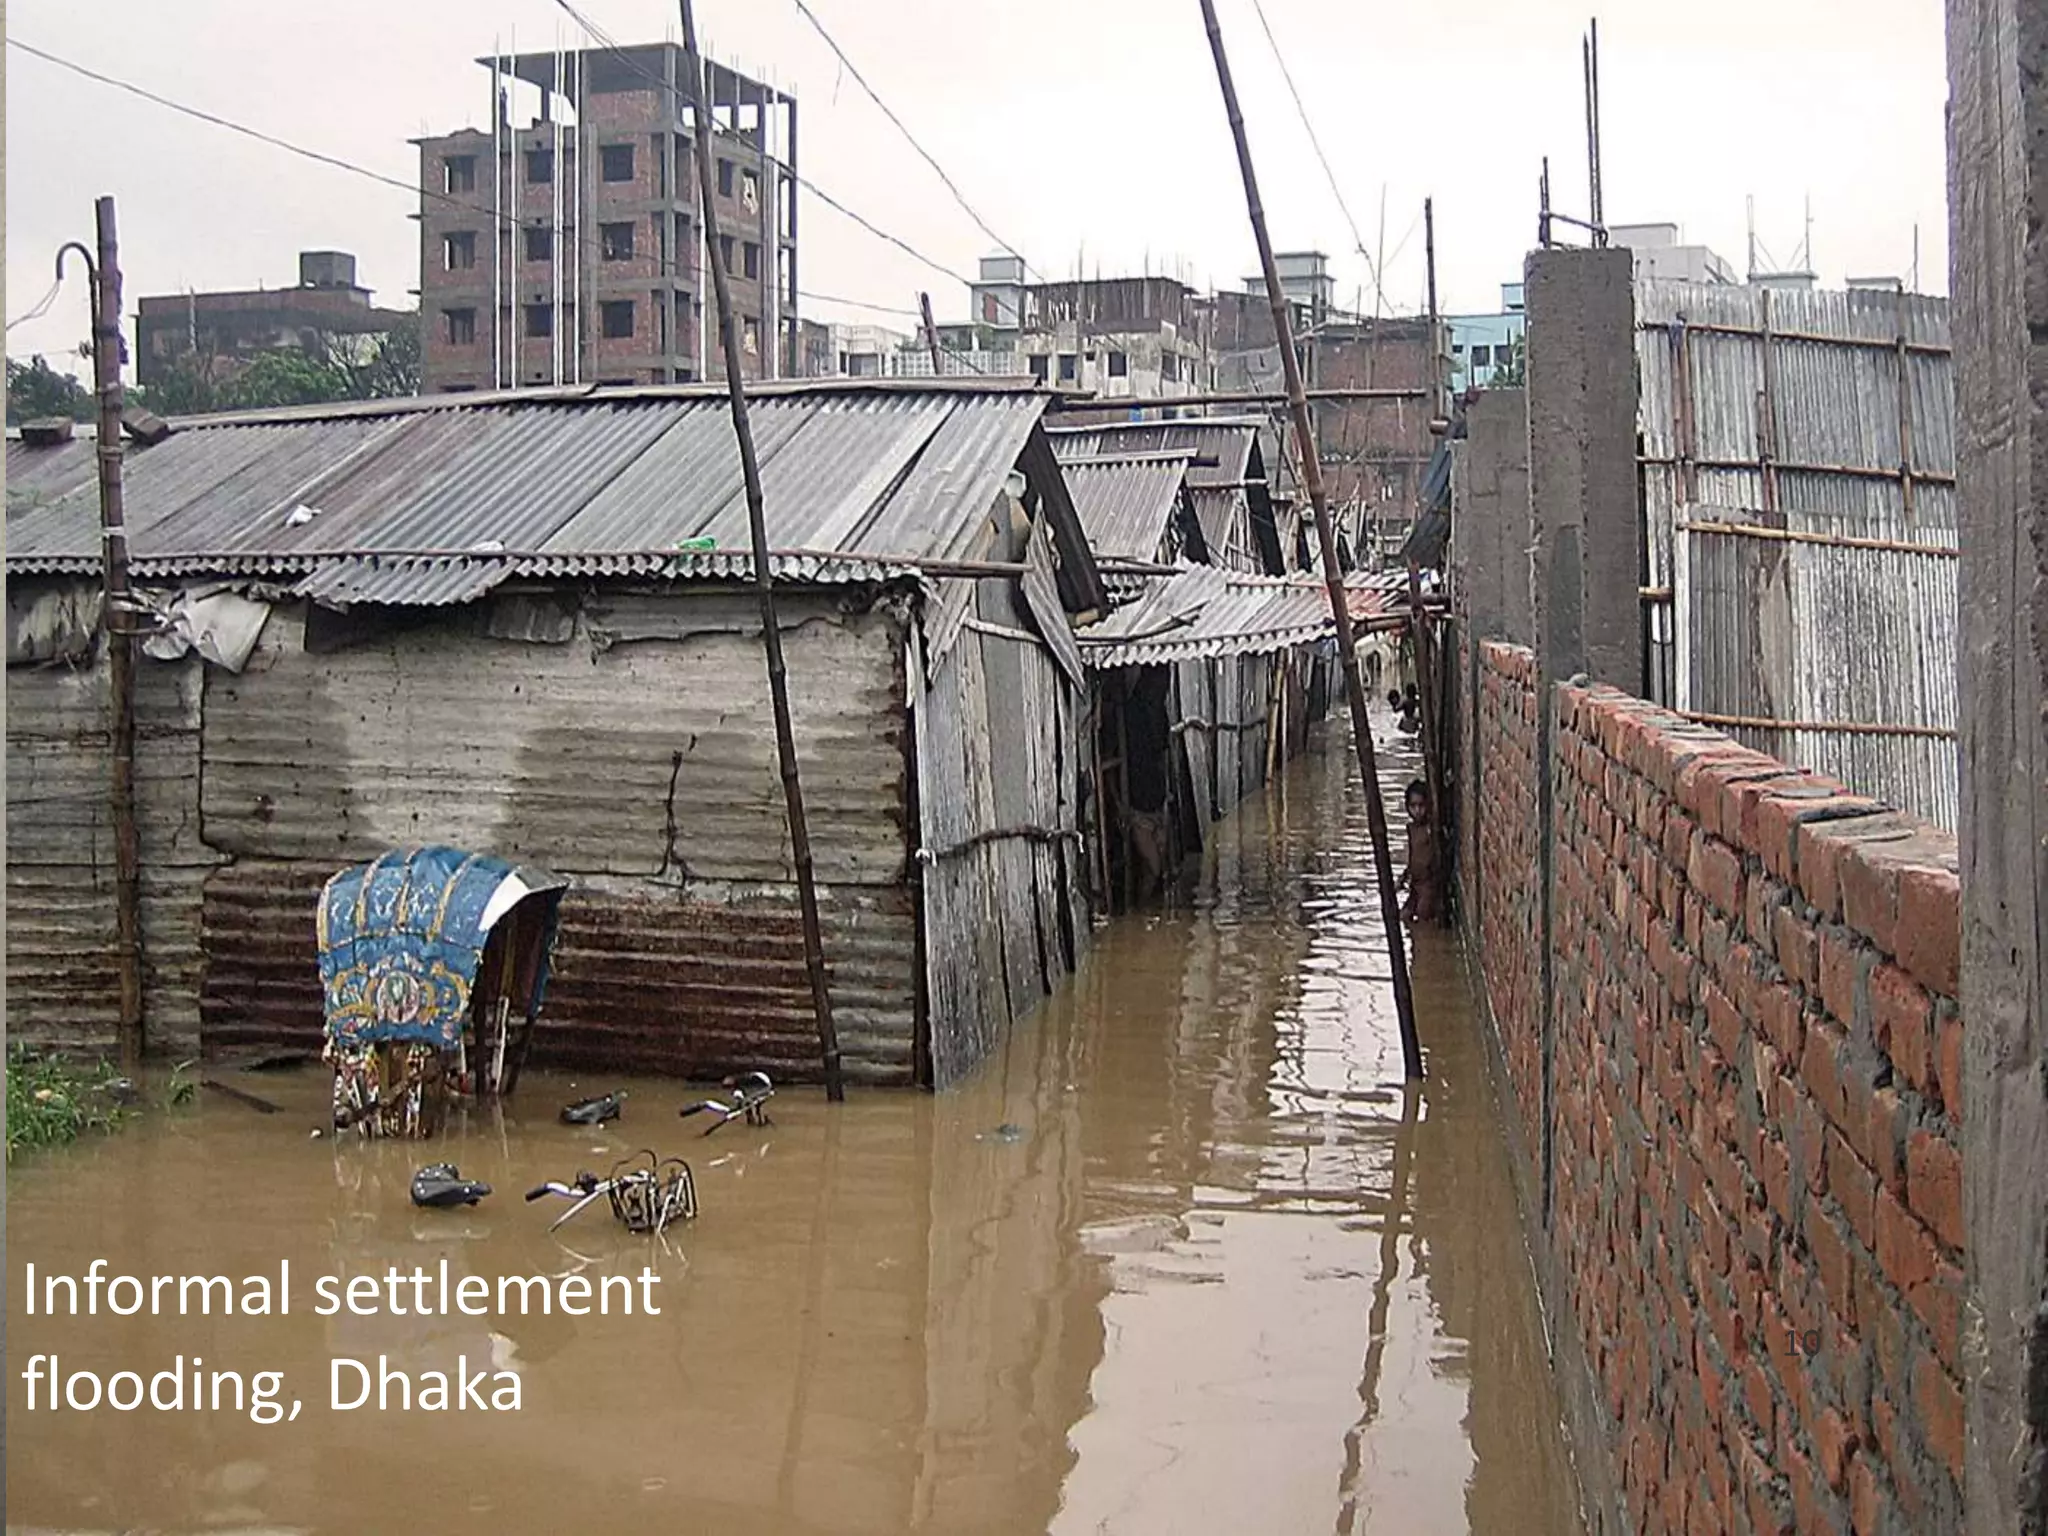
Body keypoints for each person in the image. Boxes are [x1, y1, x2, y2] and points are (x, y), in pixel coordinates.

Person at [1398, 779, 1443, 926]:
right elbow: (1413, 857)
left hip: (1428, 886)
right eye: (1413, 806)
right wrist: (1404, 877)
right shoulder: (1411, 829)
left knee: (1423, 921)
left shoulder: (1431, 829)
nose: (1417, 811)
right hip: (1415, 885)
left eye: (1421, 806)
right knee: (1404, 916)